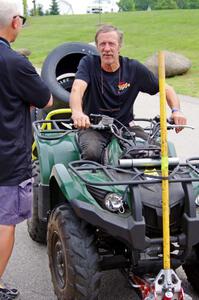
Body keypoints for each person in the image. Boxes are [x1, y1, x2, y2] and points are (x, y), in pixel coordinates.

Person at [70, 24, 187, 163]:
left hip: (125, 127)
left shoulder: (133, 68)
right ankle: (93, 183)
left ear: (119, 46)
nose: (107, 48)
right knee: (92, 154)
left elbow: (167, 89)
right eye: (102, 44)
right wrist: (77, 112)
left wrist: (176, 111)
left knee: (154, 151)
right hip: (93, 128)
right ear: (97, 46)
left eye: (111, 44)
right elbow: (77, 89)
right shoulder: (88, 63)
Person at [0, 1, 53, 299]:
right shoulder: (15, 62)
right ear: (15, 22)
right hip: (7, 157)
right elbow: (45, 100)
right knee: (5, 224)